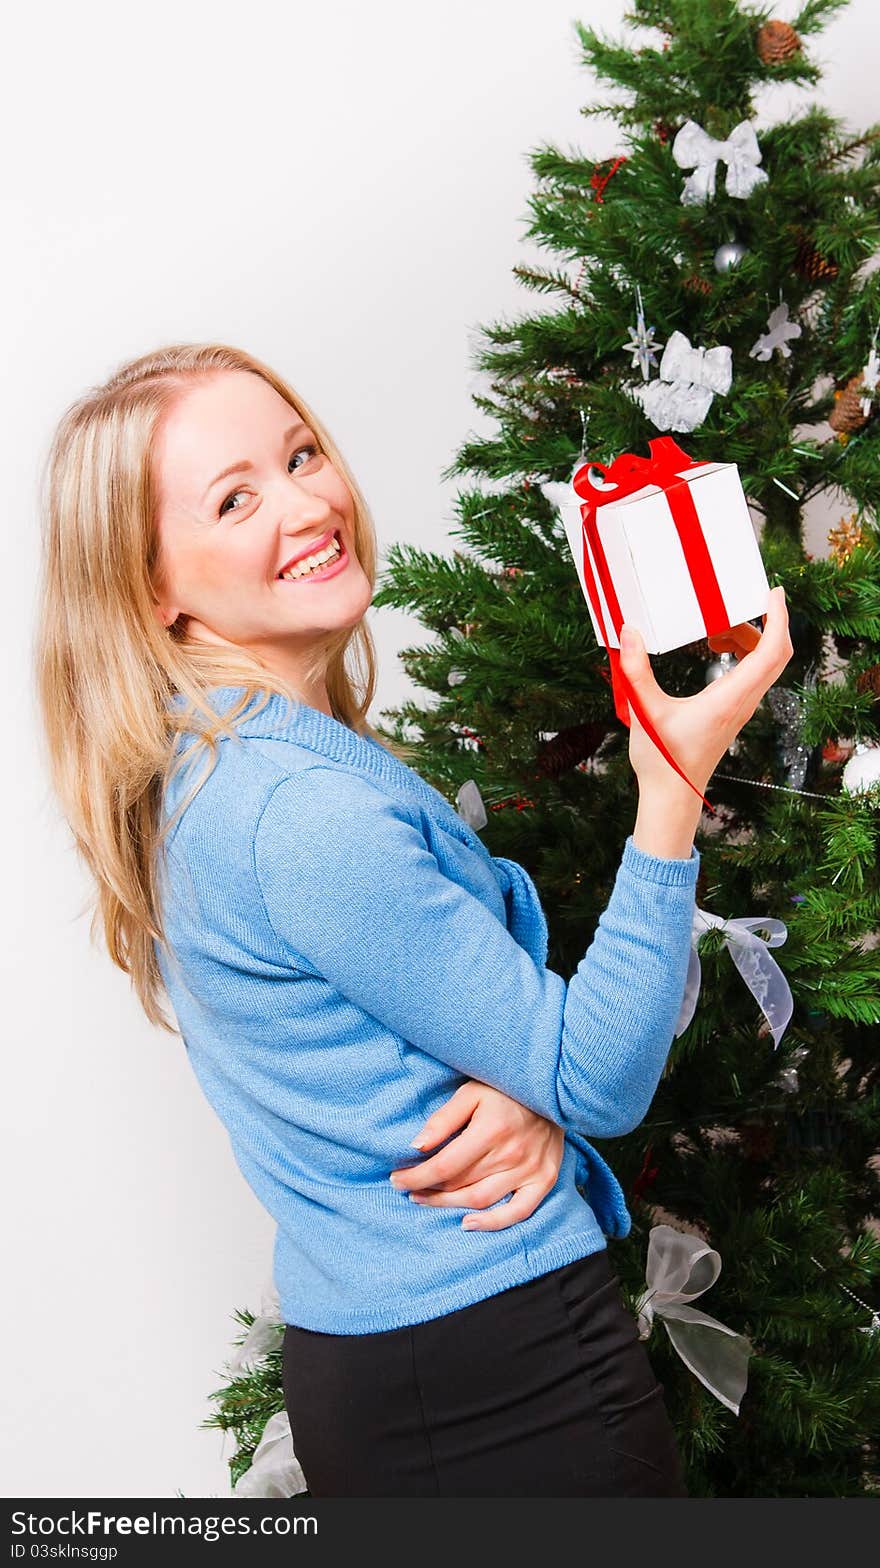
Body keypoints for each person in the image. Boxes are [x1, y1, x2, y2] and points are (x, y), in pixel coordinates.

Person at [34, 341, 792, 1498]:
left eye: (299, 455)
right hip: (501, 1374)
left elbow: (429, 1038)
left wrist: (531, 1079)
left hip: (404, 1366)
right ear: (152, 588)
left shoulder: (218, 764)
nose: (307, 502)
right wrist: (669, 790)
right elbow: (599, 1077)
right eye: (235, 497)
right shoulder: (296, 811)